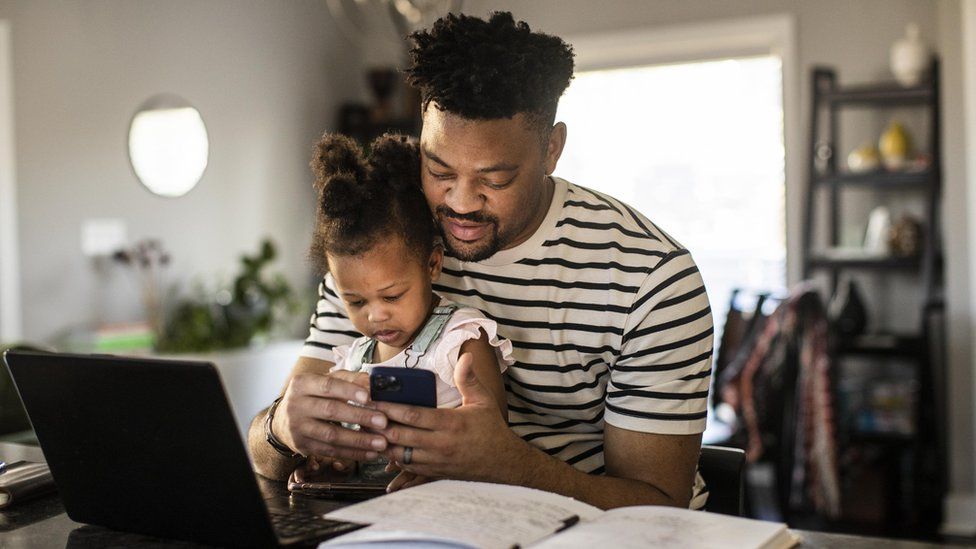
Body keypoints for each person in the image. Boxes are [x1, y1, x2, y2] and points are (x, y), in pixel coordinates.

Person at [248, 11, 714, 511]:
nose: (462, 203)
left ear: (551, 148)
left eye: (495, 179)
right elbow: (263, 455)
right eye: (439, 169)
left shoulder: (650, 279)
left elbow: (659, 510)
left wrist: (506, 465)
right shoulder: (385, 246)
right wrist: (283, 429)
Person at [282, 132, 511, 491]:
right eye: (356, 302)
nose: (375, 316)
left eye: (391, 297)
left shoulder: (460, 340)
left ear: (432, 264)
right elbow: (347, 445)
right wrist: (331, 460)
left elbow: (493, 445)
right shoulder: (352, 361)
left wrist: (442, 470)